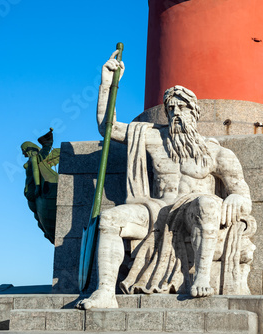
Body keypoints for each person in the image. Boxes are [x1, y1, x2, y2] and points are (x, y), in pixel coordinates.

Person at [76, 51, 253, 310]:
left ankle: (201, 276)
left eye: (182, 108)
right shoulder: (151, 137)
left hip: (194, 209)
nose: (176, 113)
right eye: (171, 109)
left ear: (195, 112)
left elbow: (242, 193)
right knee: (109, 219)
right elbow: (108, 128)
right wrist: (107, 84)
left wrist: (237, 198)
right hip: (157, 209)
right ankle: (105, 293)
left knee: (209, 204)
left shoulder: (216, 153)